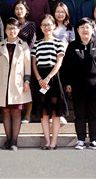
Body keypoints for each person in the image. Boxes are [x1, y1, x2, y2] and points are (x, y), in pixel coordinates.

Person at [62, 17, 96, 150]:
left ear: (92, 29)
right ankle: (81, 140)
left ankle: (94, 140)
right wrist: (67, 83)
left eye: (87, 27)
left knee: (95, 115)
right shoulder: (72, 46)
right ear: (77, 30)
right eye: (81, 27)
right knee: (80, 115)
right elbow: (66, 67)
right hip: (78, 87)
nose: (84, 30)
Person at [0, 18, 32, 151]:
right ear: (5, 30)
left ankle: (14, 141)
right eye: (9, 28)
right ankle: (8, 139)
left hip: (18, 83)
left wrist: (27, 81)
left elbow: (27, 65)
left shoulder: (23, 46)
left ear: (18, 30)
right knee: (6, 111)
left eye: (14, 28)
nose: (12, 31)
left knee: (16, 111)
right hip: (3, 83)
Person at [31, 14, 68, 150]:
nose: (47, 27)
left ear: (54, 26)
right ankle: (47, 141)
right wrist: (40, 79)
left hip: (53, 78)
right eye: (44, 25)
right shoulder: (37, 44)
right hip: (40, 79)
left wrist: (48, 78)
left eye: (49, 25)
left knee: (55, 113)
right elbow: (34, 64)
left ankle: (54, 142)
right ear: (40, 27)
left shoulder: (59, 42)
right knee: (44, 112)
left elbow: (59, 63)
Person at [13, 0, 36, 123]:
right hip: (13, 58)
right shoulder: (12, 23)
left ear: (26, 10)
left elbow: (32, 42)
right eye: (17, 8)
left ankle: (28, 114)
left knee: (28, 85)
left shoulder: (31, 24)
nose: (19, 11)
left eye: (21, 8)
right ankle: (17, 112)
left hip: (27, 58)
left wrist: (24, 54)